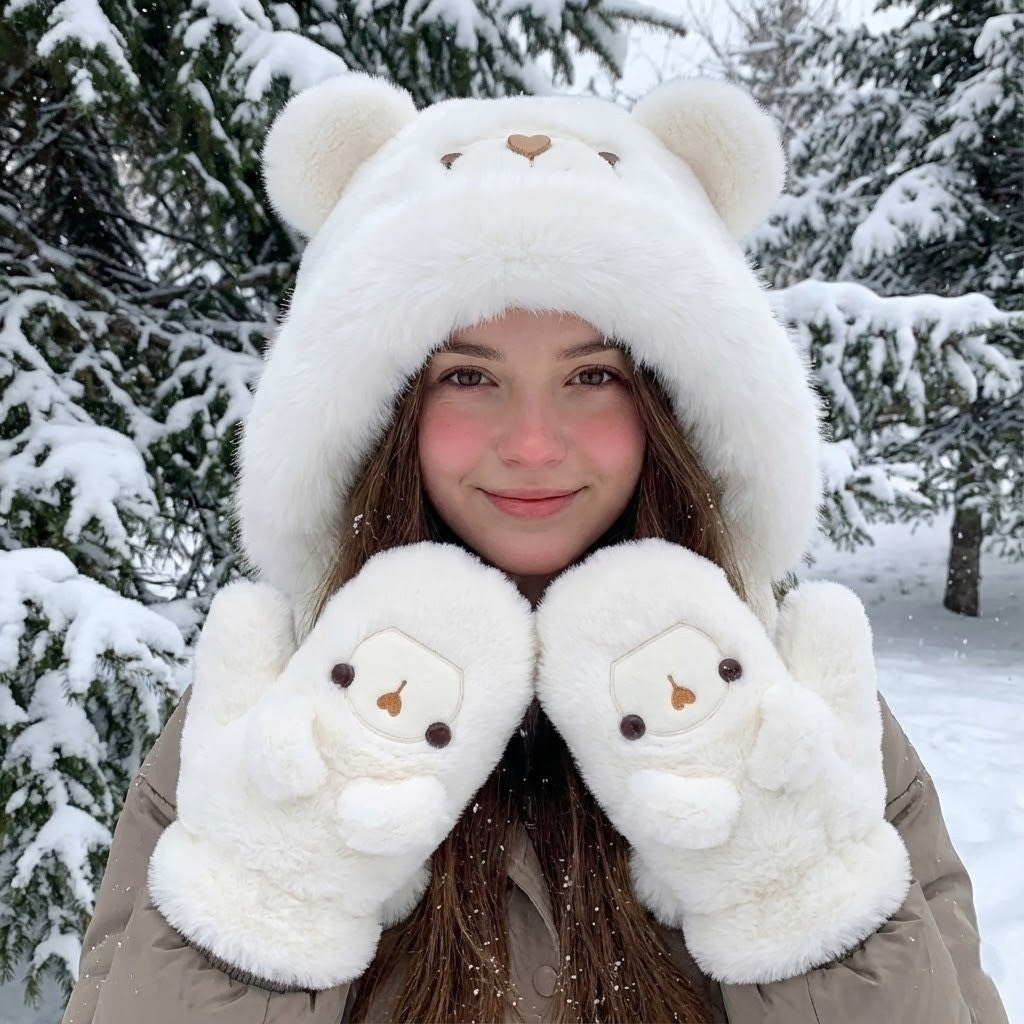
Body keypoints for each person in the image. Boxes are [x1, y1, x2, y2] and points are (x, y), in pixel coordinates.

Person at [62, 72, 1007, 1024]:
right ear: (384, 416)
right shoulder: (267, 720)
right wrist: (269, 898)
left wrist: (794, 892)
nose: (531, 444)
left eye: (592, 375)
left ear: (673, 410)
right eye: (470, 376)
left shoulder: (794, 712)